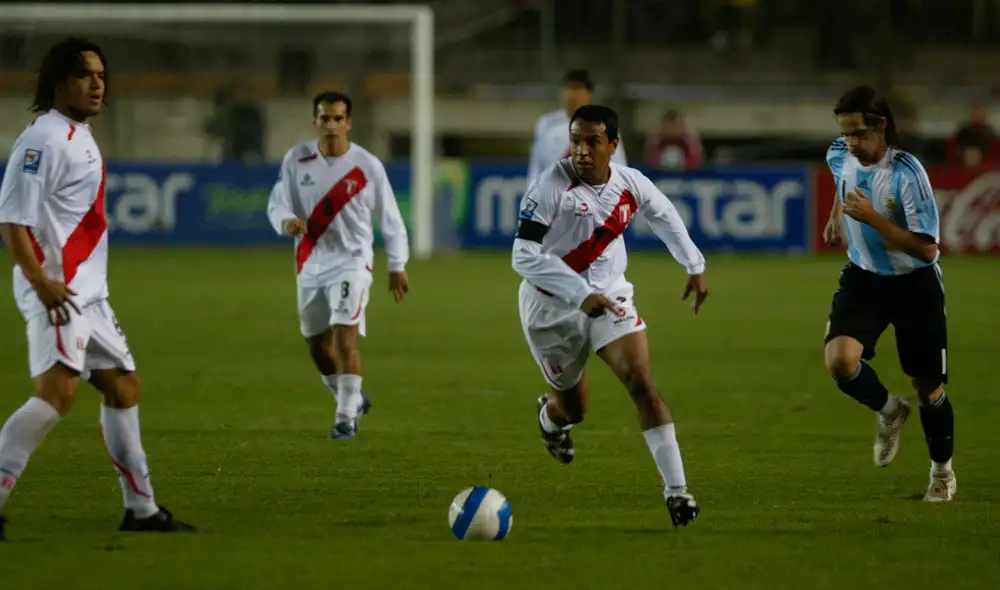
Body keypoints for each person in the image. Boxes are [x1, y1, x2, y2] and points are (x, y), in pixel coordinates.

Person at [0, 38, 195, 541]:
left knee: (122, 386)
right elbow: (12, 221)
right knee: (57, 395)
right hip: (58, 292)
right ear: (59, 82)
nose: (97, 84)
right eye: (86, 75)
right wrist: (41, 282)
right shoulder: (43, 139)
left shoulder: (77, 134)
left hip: (88, 296)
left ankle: (141, 510)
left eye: (102, 75)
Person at [512, 104, 708, 527]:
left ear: (613, 145)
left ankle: (677, 492)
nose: (582, 150)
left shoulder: (629, 183)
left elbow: (663, 213)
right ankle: (551, 420)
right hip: (550, 307)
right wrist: (579, 293)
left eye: (592, 141)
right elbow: (523, 256)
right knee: (574, 409)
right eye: (575, 141)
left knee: (642, 382)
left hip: (610, 296)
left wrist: (694, 264)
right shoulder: (548, 187)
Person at [822, 86, 955, 502]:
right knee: (840, 361)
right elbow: (841, 180)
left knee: (927, 387)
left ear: (881, 126)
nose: (850, 142)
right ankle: (889, 410)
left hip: (914, 283)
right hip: (864, 278)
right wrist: (836, 216)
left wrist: (872, 218)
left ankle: (942, 473)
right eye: (845, 133)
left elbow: (927, 249)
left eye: (858, 133)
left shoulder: (907, 173)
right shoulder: (839, 153)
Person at [266, 91, 410, 439]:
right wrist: (286, 221)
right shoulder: (296, 159)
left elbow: (390, 218)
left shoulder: (367, 166)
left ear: (349, 123)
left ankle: (345, 417)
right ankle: (351, 397)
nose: (331, 125)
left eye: (337, 118)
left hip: (352, 262)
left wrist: (397, 264)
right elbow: (276, 203)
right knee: (317, 345)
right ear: (315, 122)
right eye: (324, 118)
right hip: (310, 263)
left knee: (345, 338)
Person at [527, 70, 627, 184]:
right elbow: (536, 167)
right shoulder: (546, 124)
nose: (571, 95)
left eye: (577, 89)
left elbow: (619, 168)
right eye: (568, 89)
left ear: (588, 94)